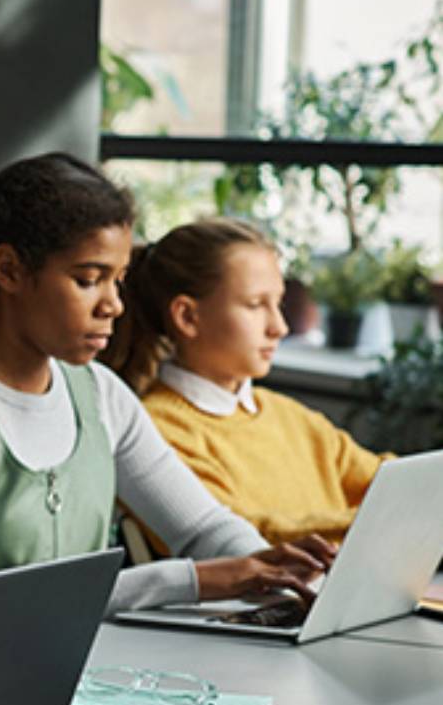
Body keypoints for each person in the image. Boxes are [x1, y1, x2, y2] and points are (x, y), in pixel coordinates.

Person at [0, 154, 336, 677]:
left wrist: (279, 575)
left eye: (118, 280)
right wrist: (196, 581)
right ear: (9, 271)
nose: (113, 304)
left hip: (46, 685)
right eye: (89, 279)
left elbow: (204, 527)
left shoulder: (99, 393)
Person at [104, 216, 392, 544]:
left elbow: (387, 480)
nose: (279, 327)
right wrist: (370, 520)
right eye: (256, 305)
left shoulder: (293, 418)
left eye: (279, 303)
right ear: (187, 316)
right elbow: (235, 537)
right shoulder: (153, 432)